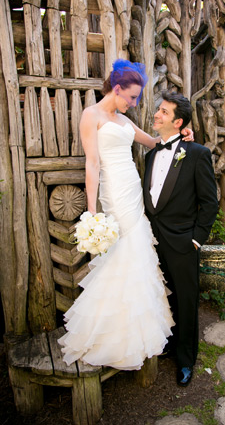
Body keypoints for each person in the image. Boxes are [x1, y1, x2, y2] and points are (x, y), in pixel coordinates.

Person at [59, 59, 192, 370]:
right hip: (113, 192)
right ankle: (111, 335)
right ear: (116, 89)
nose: (135, 103)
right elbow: (92, 164)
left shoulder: (123, 120)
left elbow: (154, 143)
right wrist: (92, 213)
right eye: (132, 97)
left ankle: (136, 333)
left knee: (138, 253)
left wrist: (181, 131)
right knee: (121, 252)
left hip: (133, 190)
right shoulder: (90, 116)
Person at [143, 91, 218, 387]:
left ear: (178, 122)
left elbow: (209, 202)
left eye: (163, 111)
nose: (157, 114)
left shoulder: (197, 153)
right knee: (163, 296)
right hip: (152, 240)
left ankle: (186, 359)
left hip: (184, 242)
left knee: (186, 301)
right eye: (158, 109)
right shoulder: (151, 155)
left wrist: (197, 239)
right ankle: (168, 343)